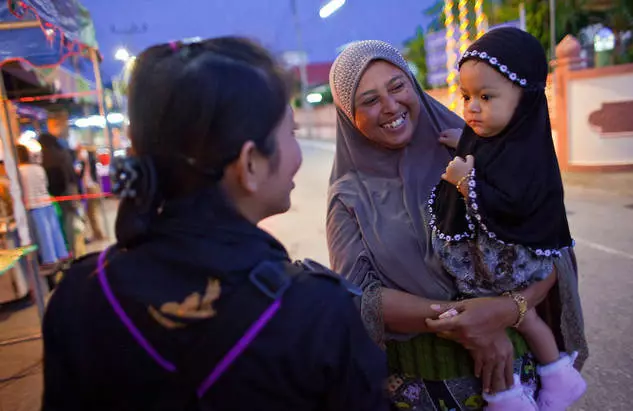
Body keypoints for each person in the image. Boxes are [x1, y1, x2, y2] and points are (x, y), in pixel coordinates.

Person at [42, 36, 389, 411]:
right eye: (290, 133)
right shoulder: (319, 314)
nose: (296, 152)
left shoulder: (79, 295)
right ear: (251, 163)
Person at [326, 40, 588, 410]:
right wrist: (464, 323)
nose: (390, 106)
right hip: (422, 389)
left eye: (397, 86)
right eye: (368, 100)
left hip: (518, 370)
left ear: (413, 86)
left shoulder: (475, 146)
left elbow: (549, 245)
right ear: (348, 116)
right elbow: (361, 297)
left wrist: (508, 309)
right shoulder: (347, 196)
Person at [430, 28, 587, 410]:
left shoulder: (527, 156)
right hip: (496, 264)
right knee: (522, 318)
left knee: (500, 319)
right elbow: (478, 146)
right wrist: (461, 142)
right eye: (467, 97)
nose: (472, 108)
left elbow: (511, 204)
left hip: (510, 264)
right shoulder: (492, 137)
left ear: (526, 99)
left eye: (486, 96)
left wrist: (466, 182)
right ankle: (555, 375)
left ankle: (509, 394)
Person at [16, 144, 69, 271]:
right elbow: (46, 184)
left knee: (43, 233)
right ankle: (62, 254)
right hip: (47, 202)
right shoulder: (38, 168)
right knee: (55, 230)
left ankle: (50, 259)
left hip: (34, 206)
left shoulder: (20, 171)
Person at [38, 111, 82, 257]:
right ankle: (70, 251)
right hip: (65, 193)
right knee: (68, 221)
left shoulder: (44, 155)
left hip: (52, 196)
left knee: (58, 224)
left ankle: (64, 251)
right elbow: (69, 174)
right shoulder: (59, 151)